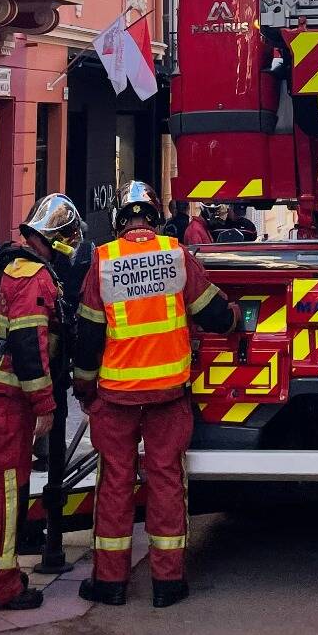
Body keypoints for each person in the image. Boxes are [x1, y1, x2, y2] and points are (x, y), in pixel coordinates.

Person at [72, 180, 237, 607]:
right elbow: (214, 315)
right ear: (154, 216)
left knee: (115, 483)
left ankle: (110, 583)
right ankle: (168, 583)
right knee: (165, 480)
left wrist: (84, 387)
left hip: (116, 395)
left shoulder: (102, 262)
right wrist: (236, 318)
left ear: (119, 220)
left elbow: (88, 335)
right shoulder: (176, 255)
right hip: (168, 395)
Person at [0, 192, 80, 611]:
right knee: (6, 493)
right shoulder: (33, 276)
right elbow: (30, 344)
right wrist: (44, 404)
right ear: (56, 237)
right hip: (5, 401)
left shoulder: (5, 264)